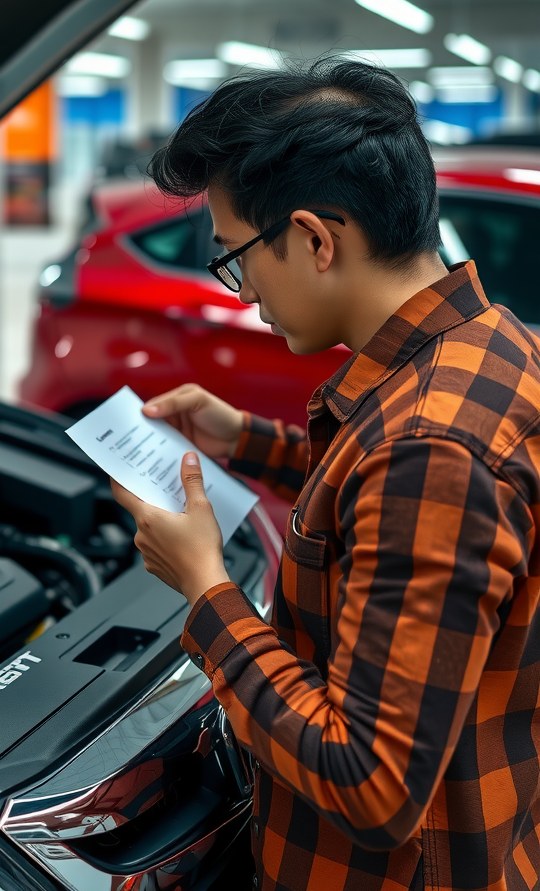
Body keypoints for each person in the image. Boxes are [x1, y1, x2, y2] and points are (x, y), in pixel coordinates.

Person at [111, 57, 540, 891]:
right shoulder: (490, 346)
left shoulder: (431, 450)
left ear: (314, 238)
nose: (243, 292)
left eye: (237, 257)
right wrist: (244, 440)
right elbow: (382, 503)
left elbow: (370, 786)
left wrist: (206, 590)